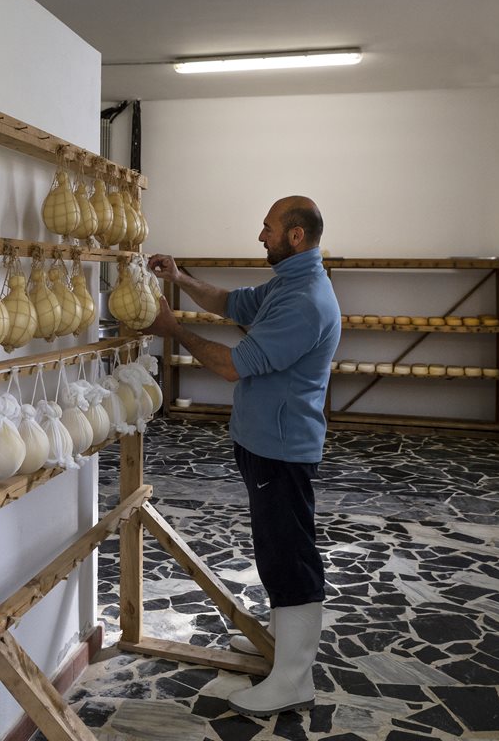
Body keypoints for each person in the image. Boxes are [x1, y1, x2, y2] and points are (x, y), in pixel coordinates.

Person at [144, 195, 340, 718]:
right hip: (264, 443)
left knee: (289, 556)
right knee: (274, 549)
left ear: (295, 236)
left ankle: (294, 679)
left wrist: (173, 331)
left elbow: (234, 365)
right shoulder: (290, 282)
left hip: (282, 450)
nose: (260, 235)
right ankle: (279, 641)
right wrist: (180, 278)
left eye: (268, 227)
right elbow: (233, 303)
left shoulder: (306, 300)